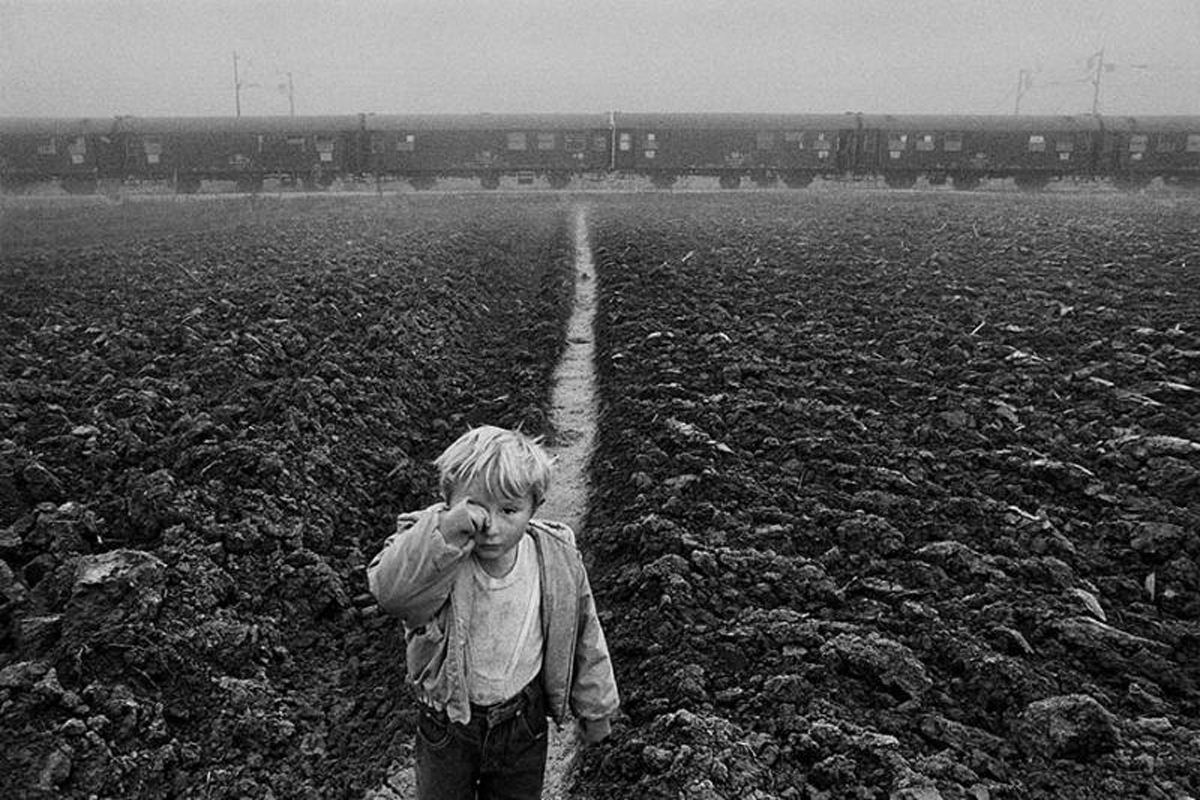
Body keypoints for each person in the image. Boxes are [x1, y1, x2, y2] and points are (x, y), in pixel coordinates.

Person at [367, 425, 619, 800]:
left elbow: (584, 632)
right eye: (476, 507)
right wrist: (446, 534)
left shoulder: (557, 559)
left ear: (535, 507)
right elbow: (392, 593)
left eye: (509, 510)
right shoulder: (432, 550)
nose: (491, 527)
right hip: (448, 723)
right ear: (447, 499)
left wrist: (596, 709)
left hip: (522, 723)